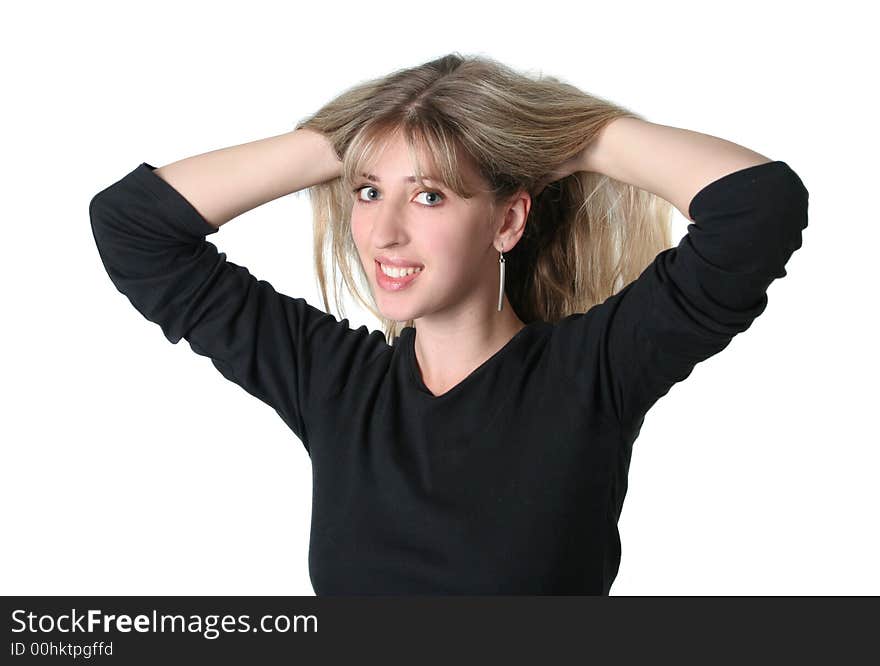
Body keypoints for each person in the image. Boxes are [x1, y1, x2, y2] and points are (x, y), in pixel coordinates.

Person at [89, 52, 809, 594]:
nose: (382, 234)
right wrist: (347, 139)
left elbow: (757, 208)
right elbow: (131, 228)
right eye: (367, 192)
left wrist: (580, 136)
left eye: (429, 196)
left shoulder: (591, 375)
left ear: (507, 219)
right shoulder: (333, 384)